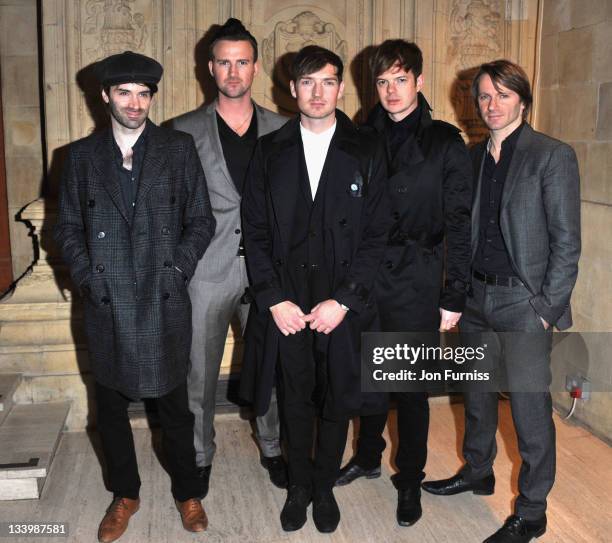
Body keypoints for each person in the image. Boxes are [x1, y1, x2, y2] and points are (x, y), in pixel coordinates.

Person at [54, 51, 216, 542]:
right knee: (109, 408)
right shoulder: (78, 157)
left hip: (162, 298)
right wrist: (87, 277)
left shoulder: (178, 148)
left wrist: (179, 268)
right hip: (107, 302)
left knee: (175, 408)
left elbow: (201, 219)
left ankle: (188, 490)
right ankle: (125, 493)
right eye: (124, 92)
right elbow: (64, 228)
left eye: (144, 93)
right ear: (104, 96)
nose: (135, 103)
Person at [421, 59, 581, 543]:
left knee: (531, 414)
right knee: (477, 398)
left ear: (523, 101)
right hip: (476, 298)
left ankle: (532, 512)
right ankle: (477, 470)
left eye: (503, 96)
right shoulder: (470, 159)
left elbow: (567, 242)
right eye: (485, 96)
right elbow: (460, 235)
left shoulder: (551, 156)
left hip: (523, 303)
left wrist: (544, 309)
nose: (492, 105)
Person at [241, 45, 391, 533]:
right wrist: (272, 298)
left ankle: (324, 485)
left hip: (340, 301)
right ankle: (299, 485)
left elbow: (376, 235)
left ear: (341, 88)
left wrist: (344, 300)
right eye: (307, 82)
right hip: (286, 299)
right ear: (291, 90)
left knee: (336, 397)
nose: (317, 92)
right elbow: (256, 232)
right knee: (295, 396)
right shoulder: (269, 151)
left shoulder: (367, 148)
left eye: (327, 81)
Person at [335, 39, 472, 527]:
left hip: (418, 277)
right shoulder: (353, 136)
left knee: (410, 388)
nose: (391, 91)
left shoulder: (444, 141)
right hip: (364, 277)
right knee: (367, 374)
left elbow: (460, 224)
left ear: (418, 80)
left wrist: (453, 294)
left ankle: (409, 478)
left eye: (400, 79)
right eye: (382, 81)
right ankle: (368, 456)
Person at [170, 18, 287, 494]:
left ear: (255, 68)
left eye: (242, 62)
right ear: (210, 68)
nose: (233, 72)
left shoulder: (284, 128)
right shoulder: (180, 131)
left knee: (272, 366)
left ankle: (274, 446)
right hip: (206, 272)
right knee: (199, 370)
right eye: (224, 62)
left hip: (268, 273)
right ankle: (199, 456)